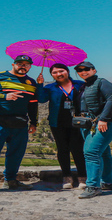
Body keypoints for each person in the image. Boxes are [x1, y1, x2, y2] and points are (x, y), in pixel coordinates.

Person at [0, 55, 38, 197]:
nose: (23, 66)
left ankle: (10, 180)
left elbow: (33, 104)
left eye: (26, 64)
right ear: (13, 64)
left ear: (30, 67)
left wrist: (34, 122)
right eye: (20, 63)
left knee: (16, 153)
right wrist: (3, 96)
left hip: (20, 122)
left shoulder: (31, 82)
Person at [37, 63, 86, 189]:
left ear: (67, 71)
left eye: (61, 71)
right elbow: (41, 99)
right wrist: (39, 84)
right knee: (62, 149)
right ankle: (66, 177)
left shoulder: (80, 85)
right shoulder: (50, 87)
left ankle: (82, 178)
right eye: (55, 72)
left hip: (78, 123)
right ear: (52, 75)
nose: (58, 74)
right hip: (57, 123)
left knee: (78, 150)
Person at [73, 61, 112, 199]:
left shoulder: (102, 82)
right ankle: (108, 181)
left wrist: (104, 119)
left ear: (94, 70)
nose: (83, 71)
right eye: (79, 70)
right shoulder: (85, 85)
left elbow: (111, 99)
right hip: (87, 123)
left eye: (86, 69)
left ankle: (93, 186)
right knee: (104, 152)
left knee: (91, 152)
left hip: (101, 122)